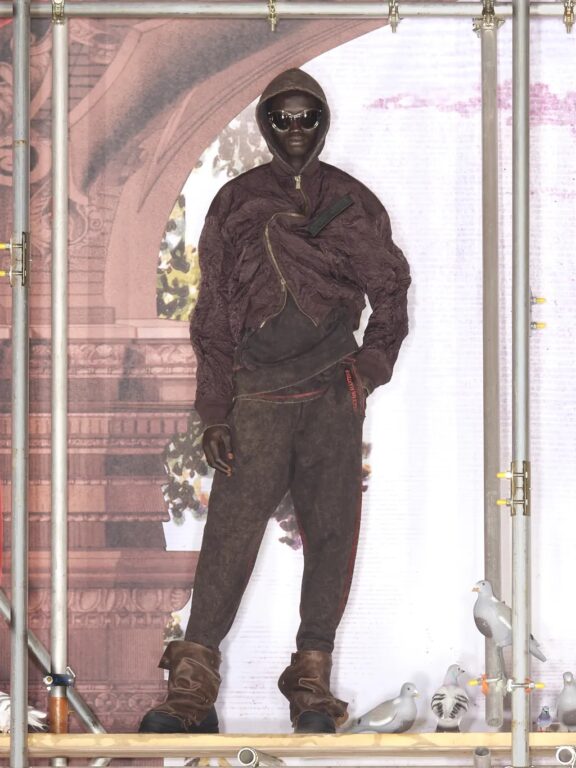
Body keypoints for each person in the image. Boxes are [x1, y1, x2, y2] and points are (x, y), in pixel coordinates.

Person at [139, 68, 411, 735]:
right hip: (256, 395)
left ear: (323, 121)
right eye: (282, 119)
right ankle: (191, 690)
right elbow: (213, 314)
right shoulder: (236, 202)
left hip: (332, 395)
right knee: (228, 540)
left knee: (332, 535)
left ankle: (311, 681)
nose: (295, 130)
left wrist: (368, 369)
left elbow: (391, 291)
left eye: (306, 117)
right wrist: (213, 412)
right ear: (265, 124)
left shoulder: (352, 201)